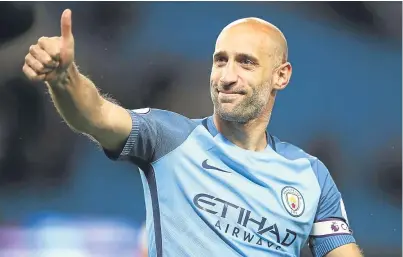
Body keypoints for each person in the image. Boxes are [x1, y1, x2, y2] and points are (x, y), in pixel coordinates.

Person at [22, 9, 363, 257]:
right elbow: (95, 115)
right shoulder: (168, 138)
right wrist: (64, 78)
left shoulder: (311, 176)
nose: (227, 76)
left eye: (245, 62)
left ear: (281, 76)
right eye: (220, 60)